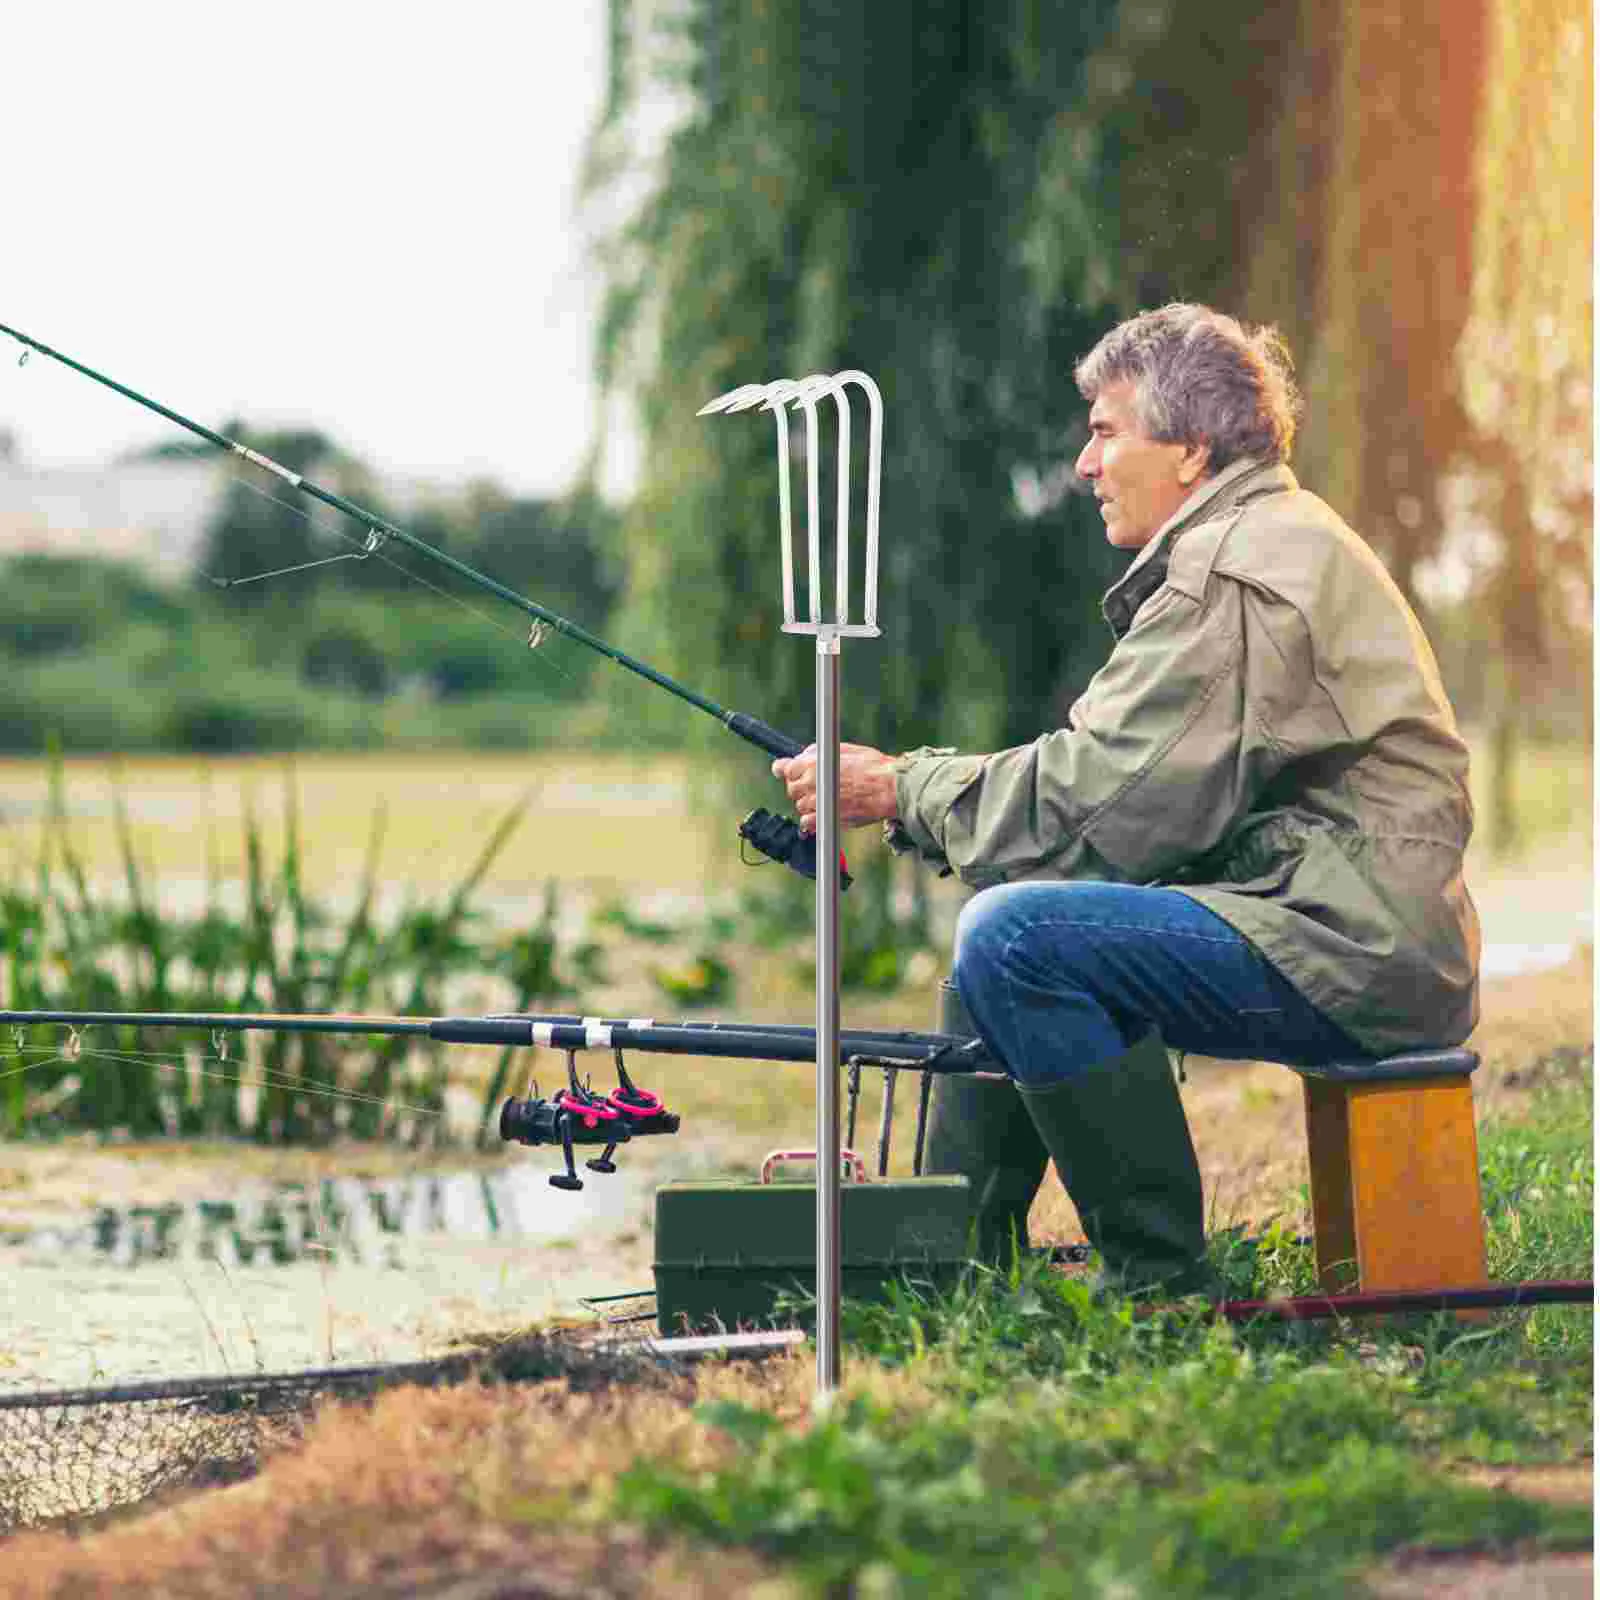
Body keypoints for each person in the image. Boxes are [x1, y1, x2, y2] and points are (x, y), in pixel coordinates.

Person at [771, 302, 1479, 1294]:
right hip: (1344, 925)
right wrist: (925, 799)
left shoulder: (1229, 572)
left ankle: (1159, 1285)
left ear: (1190, 450)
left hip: (1350, 949)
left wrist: (897, 787)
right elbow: (1121, 804)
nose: (1082, 464)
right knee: (999, 939)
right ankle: (942, 1269)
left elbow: (1102, 803)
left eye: (1105, 432)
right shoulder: (1259, 537)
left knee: (1016, 937)